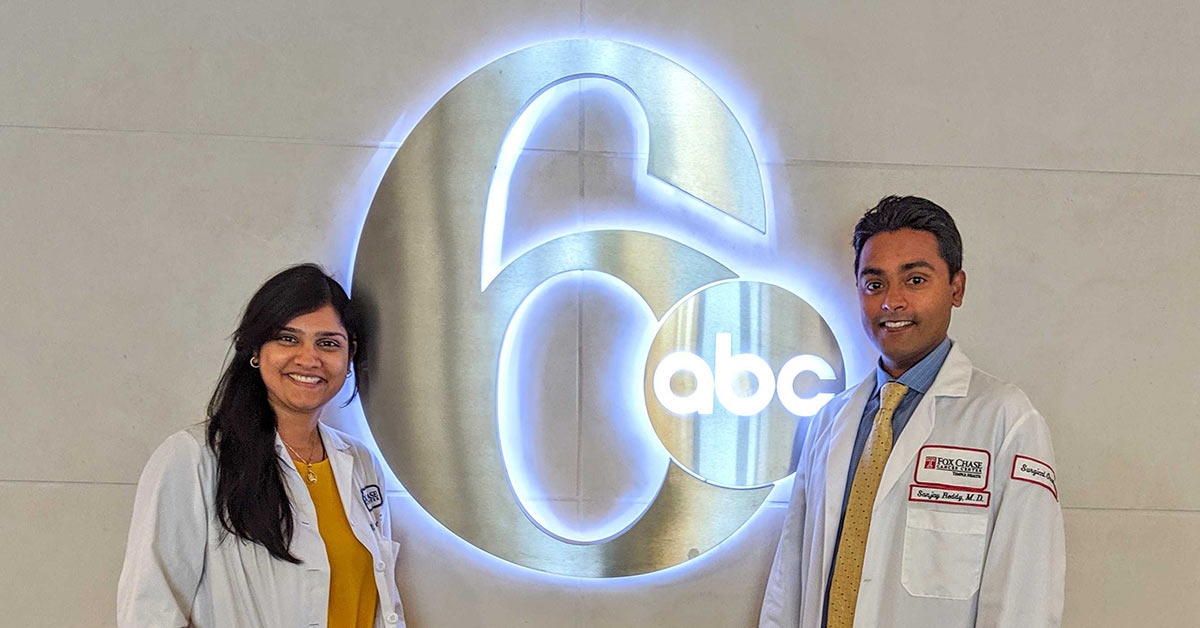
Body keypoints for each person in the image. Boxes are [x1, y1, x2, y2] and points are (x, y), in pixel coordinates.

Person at [759, 196, 1064, 627]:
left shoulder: (1006, 420)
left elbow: (1025, 599)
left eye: (916, 280)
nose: (892, 302)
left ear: (956, 288)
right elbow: (789, 584)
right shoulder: (831, 421)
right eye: (874, 284)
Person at [118, 264, 405, 628]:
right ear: (256, 349)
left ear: (349, 358)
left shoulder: (360, 463)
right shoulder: (193, 459)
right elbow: (150, 610)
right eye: (288, 338)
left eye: (329, 343)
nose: (309, 358)